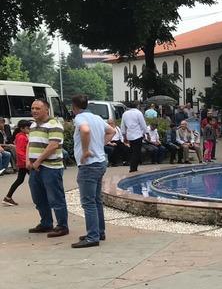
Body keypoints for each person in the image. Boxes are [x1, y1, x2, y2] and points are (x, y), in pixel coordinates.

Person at [70, 94, 113, 248]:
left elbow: (85, 131)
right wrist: (99, 146)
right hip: (100, 162)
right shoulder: (96, 117)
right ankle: (99, 231)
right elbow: (112, 131)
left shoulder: (80, 118)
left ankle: (92, 236)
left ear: (74, 107)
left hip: (88, 165)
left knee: (88, 202)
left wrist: (86, 150)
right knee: (96, 200)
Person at [26, 99, 69, 237]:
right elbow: (30, 143)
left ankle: (62, 226)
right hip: (35, 168)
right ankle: (46, 223)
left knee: (55, 198)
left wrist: (38, 160)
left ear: (46, 110)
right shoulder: (32, 125)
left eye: (38, 108)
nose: (34, 111)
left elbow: (53, 145)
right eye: (33, 108)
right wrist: (28, 160)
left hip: (51, 167)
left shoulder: (54, 124)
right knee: (38, 197)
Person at [3, 120, 30, 206]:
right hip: (25, 163)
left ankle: (8, 197)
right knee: (37, 179)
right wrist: (27, 162)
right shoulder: (22, 137)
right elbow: (20, 152)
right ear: (22, 128)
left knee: (20, 180)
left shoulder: (20, 136)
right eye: (27, 128)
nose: (29, 129)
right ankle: (43, 197)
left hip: (23, 162)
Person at [121, 105, 148, 172]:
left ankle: (133, 166)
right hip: (138, 135)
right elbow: (143, 124)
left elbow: (122, 126)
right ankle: (133, 168)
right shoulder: (138, 113)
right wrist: (145, 132)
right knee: (136, 152)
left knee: (133, 151)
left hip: (130, 136)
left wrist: (124, 135)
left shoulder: (125, 114)